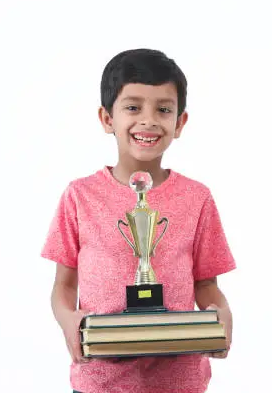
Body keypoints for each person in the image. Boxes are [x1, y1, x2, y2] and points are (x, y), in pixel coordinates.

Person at [41, 48, 237, 393]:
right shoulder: (79, 196)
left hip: (180, 382)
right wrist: (68, 321)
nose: (148, 120)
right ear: (107, 118)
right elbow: (65, 284)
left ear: (179, 123)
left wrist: (220, 313)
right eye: (133, 107)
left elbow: (206, 284)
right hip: (99, 383)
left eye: (163, 109)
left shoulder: (197, 198)